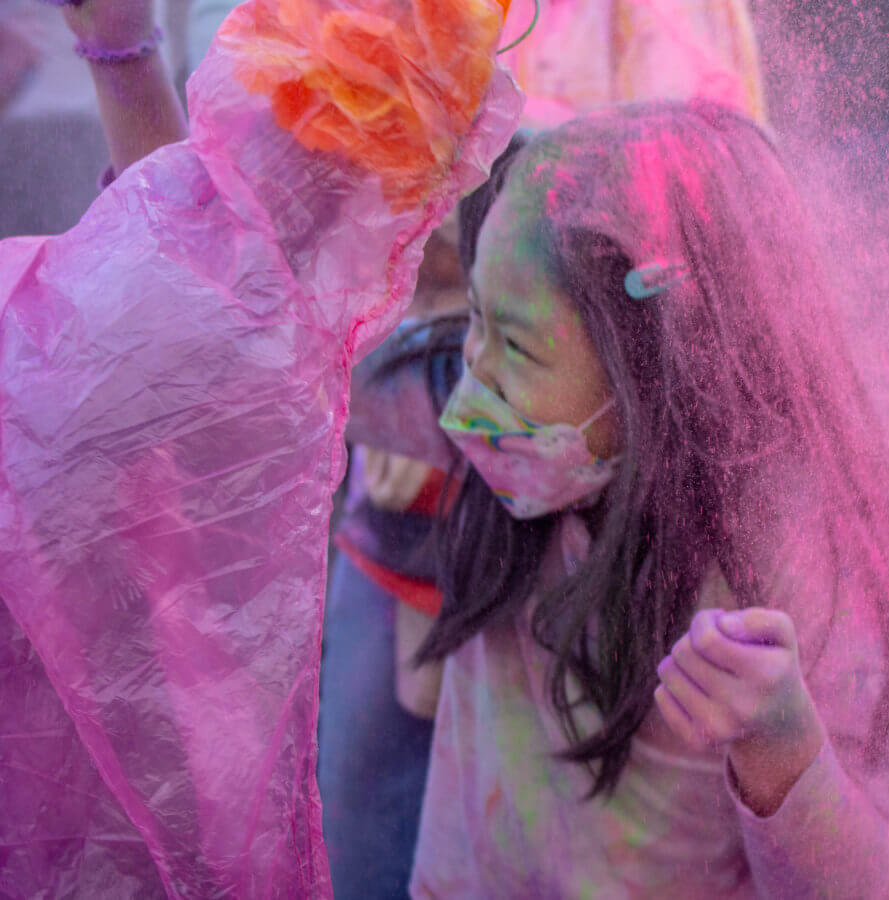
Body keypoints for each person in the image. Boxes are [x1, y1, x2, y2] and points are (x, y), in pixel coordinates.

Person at [0, 0, 521, 894]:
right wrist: (122, 52)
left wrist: (122, 51)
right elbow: (188, 268)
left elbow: (185, 266)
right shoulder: (249, 311)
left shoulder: (220, 300)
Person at [343, 99, 889, 897]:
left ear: (660, 368)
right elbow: (268, 354)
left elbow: (857, 885)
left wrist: (780, 742)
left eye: (517, 345)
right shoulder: (505, 423)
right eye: (475, 315)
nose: (475, 369)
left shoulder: (791, 560)